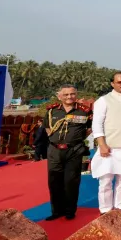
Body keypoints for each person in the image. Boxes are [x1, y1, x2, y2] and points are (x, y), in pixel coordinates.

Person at [91, 71, 121, 214]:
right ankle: (105, 209)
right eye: (119, 82)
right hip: (109, 146)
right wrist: (102, 144)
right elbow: (97, 124)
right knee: (105, 180)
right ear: (112, 84)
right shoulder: (103, 100)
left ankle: (120, 205)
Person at [44, 84, 92, 220]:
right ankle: (56, 211)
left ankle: (70, 211)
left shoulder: (84, 111)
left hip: (74, 150)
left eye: (72, 94)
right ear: (59, 96)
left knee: (71, 181)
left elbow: (89, 129)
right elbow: (48, 129)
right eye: (66, 94)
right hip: (54, 150)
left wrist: (73, 140)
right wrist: (56, 141)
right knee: (54, 181)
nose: (69, 97)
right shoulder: (51, 111)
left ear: (76, 95)